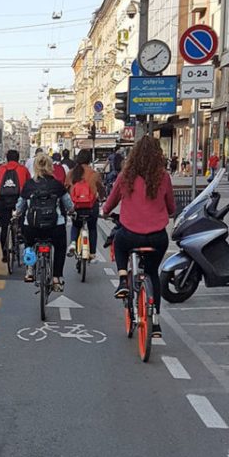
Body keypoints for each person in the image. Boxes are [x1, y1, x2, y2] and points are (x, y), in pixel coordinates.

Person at [102, 136, 175, 337]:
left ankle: (123, 280)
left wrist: (105, 211)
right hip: (157, 238)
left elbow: (111, 201)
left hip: (131, 235)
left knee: (119, 242)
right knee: (152, 274)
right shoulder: (163, 176)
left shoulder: (126, 175)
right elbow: (171, 208)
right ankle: (156, 322)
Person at [15, 154, 74, 290]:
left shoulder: (29, 185)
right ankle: (56, 277)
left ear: (35, 167)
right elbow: (68, 204)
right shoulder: (57, 184)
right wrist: (72, 211)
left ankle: (29, 269)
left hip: (32, 226)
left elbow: (20, 205)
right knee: (60, 247)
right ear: (50, 167)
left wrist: (17, 213)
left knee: (28, 242)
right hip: (54, 227)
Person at [0, 149, 31, 262]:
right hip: (18, 201)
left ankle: (5, 254)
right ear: (18, 158)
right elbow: (28, 187)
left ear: (7, 158)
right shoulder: (23, 169)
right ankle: (20, 234)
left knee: (4, 227)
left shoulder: (0, 169)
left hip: (4, 201)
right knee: (23, 224)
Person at [66, 150, 105, 257]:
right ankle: (92, 253)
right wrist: (102, 198)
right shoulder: (94, 174)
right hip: (91, 207)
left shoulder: (71, 173)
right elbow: (101, 189)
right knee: (92, 228)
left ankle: (73, 242)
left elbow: (65, 188)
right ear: (89, 160)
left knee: (76, 225)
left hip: (76, 206)